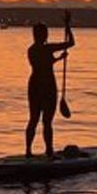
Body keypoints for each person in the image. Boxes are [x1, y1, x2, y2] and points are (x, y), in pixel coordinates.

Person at [25, 11, 75, 159]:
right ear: (43, 35)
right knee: (46, 121)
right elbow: (71, 43)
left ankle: (28, 151)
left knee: (33, 118)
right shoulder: (47, 48)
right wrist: (67, 26)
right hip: (47, 85)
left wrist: (58, 59)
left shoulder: (32, 50)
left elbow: (44, 63)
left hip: (34, 84)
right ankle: (49, 151)